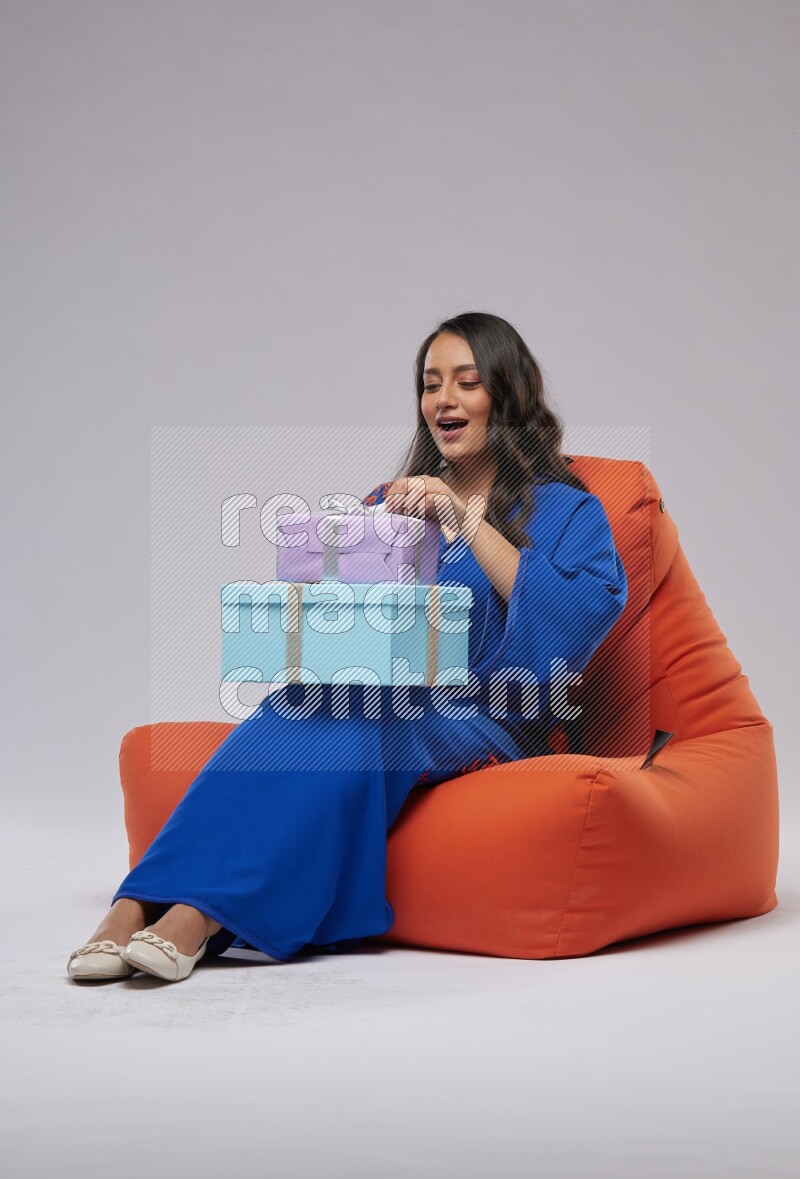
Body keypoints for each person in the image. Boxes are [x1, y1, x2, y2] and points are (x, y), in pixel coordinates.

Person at [66, 311, 628, 984]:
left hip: (492, 719)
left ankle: (199, 915)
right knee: (300, 698)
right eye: (430, 384)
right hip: (383, 699)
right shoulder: (391, 503)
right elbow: (337, 623)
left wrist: (465, 519)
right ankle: (132, 903)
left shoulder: (568, 510)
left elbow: (575, 621)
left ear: (505, 397)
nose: (443, 400)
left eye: (466, 382)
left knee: (368, 712)